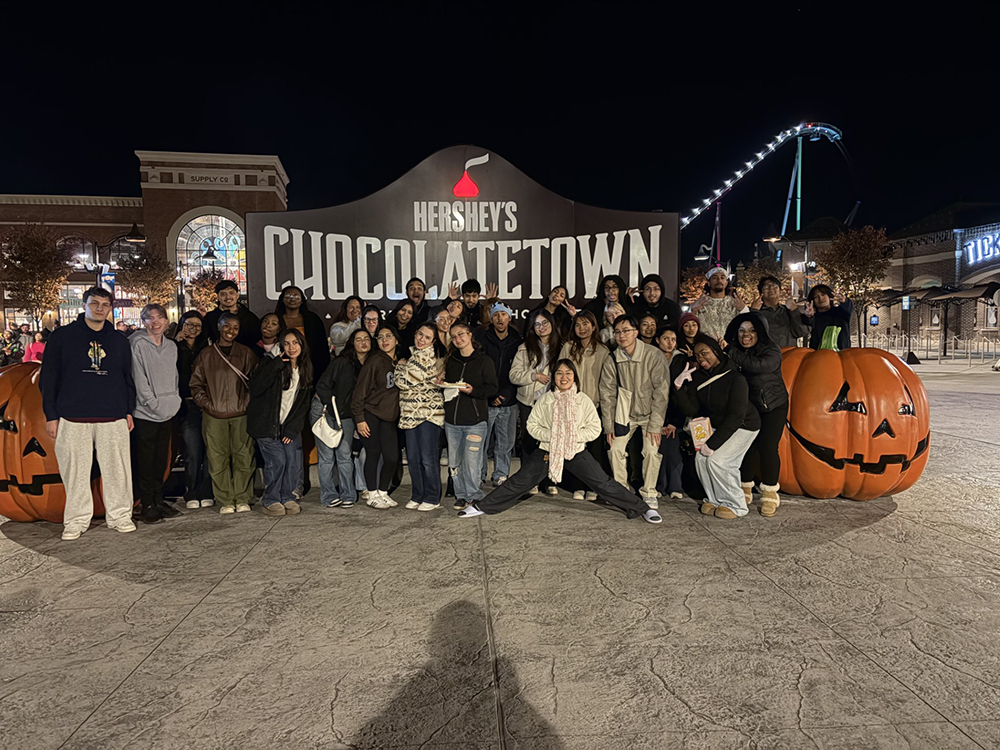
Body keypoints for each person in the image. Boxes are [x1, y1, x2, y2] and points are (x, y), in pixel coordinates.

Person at [459, 360, 661, 524]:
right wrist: (554, 437)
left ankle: (643, 508)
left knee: (603, 483)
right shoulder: (547, 399)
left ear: (574, 377)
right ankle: (481, 506)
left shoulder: (583, 400)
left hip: (575, 451)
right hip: (548, 450)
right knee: (519, 481)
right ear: (554, 378)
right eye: (559, 373)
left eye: (568, 373)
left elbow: (594, 429)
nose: (564, 377)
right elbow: (532, 425)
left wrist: (570, 437)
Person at [39, 286, 136, 540]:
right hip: (73, 415)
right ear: (85, 305)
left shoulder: (118, 340)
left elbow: (126, 377)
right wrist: (51, 414)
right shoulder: (62, 337)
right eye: (95, 303)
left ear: (110, 308)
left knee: (118, 470)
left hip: (112, 415)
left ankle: (120, 515)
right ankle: (76, 520)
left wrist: (128, 410)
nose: (100, 309)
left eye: (105, 305)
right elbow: (49, 377)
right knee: (75, 473)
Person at [673, 335, 761, 519]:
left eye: (705, 353)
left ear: (716, 351)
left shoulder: (735, 378)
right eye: (697, 355)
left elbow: (736, 416)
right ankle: (714, 499)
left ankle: (736, 505)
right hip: (718, 425)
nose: (701, 359)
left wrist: (713, 443)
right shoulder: (699, 378)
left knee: (719, 461)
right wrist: (679, 386)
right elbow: (693, 409)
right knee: (700, 459)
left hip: (744, 425)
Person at [599, 315, 671, 508]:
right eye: (618, 332)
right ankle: (622, 491)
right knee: (615, 449)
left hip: (649, 415)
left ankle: (649, 492)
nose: (622, 336)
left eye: (626, 331)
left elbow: (661, 392)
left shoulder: (653, 355)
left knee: (651, 450)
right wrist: (609, 427)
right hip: (625, 415)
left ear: (636, 333)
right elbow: (607, 395)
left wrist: (656, 425)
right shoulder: (612, 358)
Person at [189, 313, 258, 514]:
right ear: (219, 327)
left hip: (241, 414)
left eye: (235, 327)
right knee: (217, 459)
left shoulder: (246, 353)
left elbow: (256, 383)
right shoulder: (207, 355)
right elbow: (196, 385)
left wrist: (246, 404)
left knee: (244, 457)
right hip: (213, 416)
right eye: (227, 326)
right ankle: (225, 500)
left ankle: (243, 497)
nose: (231, 331)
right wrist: (208, 405)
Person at [724, 313, 788, 517]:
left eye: (751, 330)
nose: (746, 334)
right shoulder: (734, 351)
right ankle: (745, 487)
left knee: (768, 447)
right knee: (747, 446)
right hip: (749, 406)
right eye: (742, 330)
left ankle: (770, 493)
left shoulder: (771, 351)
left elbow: (757, 366)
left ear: (760, 332)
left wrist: (729, 350)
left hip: (773, 405)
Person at [248, 329, 313, 516]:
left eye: (295, 343)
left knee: (292, 459)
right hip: (266, 425)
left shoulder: (305, 368)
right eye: (287, 343)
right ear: (281, 346)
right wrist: (276, 364)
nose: (291, 347)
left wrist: (292, 429)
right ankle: (271, 499)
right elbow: (256, 387)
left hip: (288, 425)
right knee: (278, 460)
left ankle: (287, 497)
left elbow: (302, 403)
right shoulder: (271, 363)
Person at [130, 303, 183, 525]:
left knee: (162, 459)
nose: (156, 322)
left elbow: (174, 376)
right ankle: (147, 503)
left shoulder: (171, 346)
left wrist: (175, 399)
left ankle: (159, 498)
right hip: (145, 412)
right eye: (150, 318)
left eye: (159, 317)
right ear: (144, 322)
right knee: (145, 460)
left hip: (168, 410)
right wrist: (151, 402)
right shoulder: (136, 344)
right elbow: (138, 377)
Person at [441, 321, 497, 511]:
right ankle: (461, 495)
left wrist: (473, 391)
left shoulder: (484, 360)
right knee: (455, 461)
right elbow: (447, 385)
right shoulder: (451, 361)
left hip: (475, 421)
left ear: (470, 335)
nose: (458, 339)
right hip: (452, 421)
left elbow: (492, 388)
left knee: (472, 461)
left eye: (461, 334)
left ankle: (474, 496)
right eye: (454, 336)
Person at [312, 328, 371, 509]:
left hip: (345, 414)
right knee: (327, 457)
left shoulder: (371, 365)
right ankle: (329, 496)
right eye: (358, 339)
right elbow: (323, 386)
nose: (363, 342)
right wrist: (331, 410)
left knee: (344, 455)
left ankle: (348, 495)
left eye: (366, 339)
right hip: (324, 409)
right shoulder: (342, 362)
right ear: (352, 343)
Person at [509, 308, 564, 495]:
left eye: (545, 323)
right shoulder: (524, 348)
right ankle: (529, 481)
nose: (541, 327)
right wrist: (534, 376)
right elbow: (514, 375)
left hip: (553, 402)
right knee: (529, 442)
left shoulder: (562, 347)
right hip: (529, 402)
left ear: (552, 324)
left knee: (551, 441)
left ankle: (549, 480)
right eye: (537, 324)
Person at [559, 310, 610, 501]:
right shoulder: (568, 348)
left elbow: (607, 382)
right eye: (578, 325)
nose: (582, 329)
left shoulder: (603, 351)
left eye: (586, 324)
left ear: (594, 326)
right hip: (571, 404)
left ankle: (593, 486)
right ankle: (577, 485)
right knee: (574, 447)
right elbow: (560, 374)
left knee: (595, 450)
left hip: (593, 406)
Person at [395, 322, 446, 510]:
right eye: (419, 334)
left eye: (426, 337)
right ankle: (417, 495)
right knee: (414, 458)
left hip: (428, 415)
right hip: (410, 415)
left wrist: (400, 367)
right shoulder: (414, 355)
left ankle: (432, 497)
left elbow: (404, 382)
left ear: (433, 341)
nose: (421, 339)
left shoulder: (427, 356)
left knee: (427, 458)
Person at [352, 324, 401, 509]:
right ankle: (371, 493)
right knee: (373, 454)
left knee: (391, 457)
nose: (384, 340)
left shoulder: (396, 362)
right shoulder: (374, 361)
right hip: (371, 414)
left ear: (396, 339)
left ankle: (382, 492)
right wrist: (359, 419)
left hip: (388, 417)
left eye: (388, 336)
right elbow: (359, 393)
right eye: (380, 337)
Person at [475, 302, 523, 487]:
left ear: (509, 318)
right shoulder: (482, 338)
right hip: (486, 400)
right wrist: (491, 394)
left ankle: (501, 475)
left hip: (509, 400)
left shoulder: (517, 340)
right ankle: (479, 475)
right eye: (496, 315)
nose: (499, 318)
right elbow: (479, 369)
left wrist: (504, 394)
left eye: (503, 315)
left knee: (505, 443)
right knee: (482, 443)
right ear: (491, 318)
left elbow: (518, 370)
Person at [174, 311, 213, 509]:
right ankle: (192, 491)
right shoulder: (173, 346)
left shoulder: (206, 347)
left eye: (197, 325)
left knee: (208, 450)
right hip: (186, 404)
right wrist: (173, 342)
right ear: (182, 324)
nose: (193, 329)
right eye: (189, 324)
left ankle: (206, 490)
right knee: (192, 451)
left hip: (206, 404)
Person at [275, 285, 329, 383]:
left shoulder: (313, 320)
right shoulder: (276, 319)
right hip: (283, 368)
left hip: (310, 367)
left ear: (302, 300)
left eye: (296, 297)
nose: (292, 299)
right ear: (282, 299)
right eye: (289, 296)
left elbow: (321, 348)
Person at [656, 327, 686, 500]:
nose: (670, 343)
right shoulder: (652, 358)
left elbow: (683, 393)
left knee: (674, 451)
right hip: (657, 415)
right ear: (658, 340)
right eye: (665, 338)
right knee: (658, 450)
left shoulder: (681, 360)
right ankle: (659, 486)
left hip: (676, 414)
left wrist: (674, 421)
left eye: (673, 339)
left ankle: (676, 487)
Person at [690, 267, 748, 340]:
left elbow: (747, 323)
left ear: (726, 283)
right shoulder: (700, 303)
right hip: (707, 347)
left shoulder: (735, 303)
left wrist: (743, 309)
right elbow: (688, 325)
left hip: (730, 347)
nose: (719, 280)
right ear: (709, 283)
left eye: (722, 278)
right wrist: (693, 310)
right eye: (715, 278)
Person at [751, 276, 809, 348]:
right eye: (766, 287)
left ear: (780, 291)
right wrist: (753, 312)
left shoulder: (788, 311)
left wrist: (794, 310)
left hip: (789, 354)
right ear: (761, 293)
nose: (771, 288)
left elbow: (801, 332)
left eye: (774, 286)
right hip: (766, 356)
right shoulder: (757, 312)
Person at [204, 279, 261, 348]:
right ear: (218, 297)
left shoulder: (249, 317)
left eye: (231, 293)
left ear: (237, 295)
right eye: (223, 294)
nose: (228, 297)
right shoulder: (210, 318)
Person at [805, 284, 854, 350]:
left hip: (842, 355)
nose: (820, 298)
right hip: (819, 356)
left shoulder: (841, 312)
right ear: (812, 301)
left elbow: (848, 307)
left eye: (823, 295)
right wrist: (809, 316)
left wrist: (844, 301)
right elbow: (808, 322)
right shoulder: (814, 318)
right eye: (816, 297)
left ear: (829, 296)